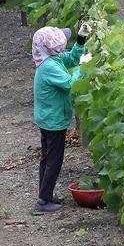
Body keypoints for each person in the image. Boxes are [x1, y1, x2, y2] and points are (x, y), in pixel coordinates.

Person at [32, 23, 89, 214]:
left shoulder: (51, 59)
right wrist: (84, 67)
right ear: (53, 48)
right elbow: (69, 84)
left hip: (48, 118)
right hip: (53, 121)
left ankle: (44, 194)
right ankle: (42, 202)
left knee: (47, 158)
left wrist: (81, 40)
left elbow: (72, 58)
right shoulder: (49, 67)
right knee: (54, 161)